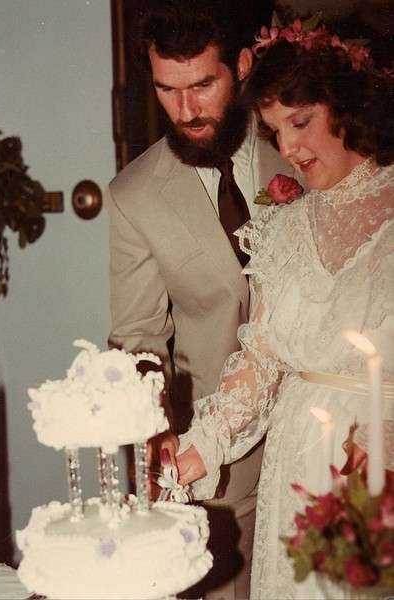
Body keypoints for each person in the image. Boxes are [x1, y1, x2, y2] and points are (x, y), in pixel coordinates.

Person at [165, 22, 394, 600]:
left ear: (346, 107)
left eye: (300, 122)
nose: (286, 148)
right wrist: (202, 446)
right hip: (297, 463)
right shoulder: (282, 229)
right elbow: (261, 361)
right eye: (274, 130)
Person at [106, 1, 295, 597]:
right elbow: (138, 336)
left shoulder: (307, 145)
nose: (186, 110)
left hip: (322, 430)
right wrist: (154, 422)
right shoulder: (133, 195)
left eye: (202, 86)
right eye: (167, 89)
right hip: (219, 459)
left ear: (241, 66)